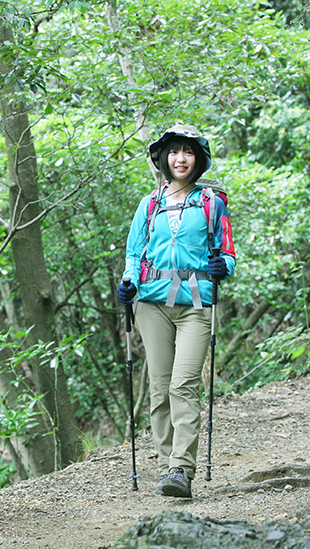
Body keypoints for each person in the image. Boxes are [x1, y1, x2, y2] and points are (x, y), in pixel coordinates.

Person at [117, 123, 236, 498]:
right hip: (152, 304)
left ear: (198, 158)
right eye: (174, 151)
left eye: (187, 151)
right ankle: (169, 466)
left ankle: (181, 470)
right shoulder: (149, 204)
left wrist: (224, 267)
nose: (180, 158)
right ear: (164, 159)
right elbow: (135, 253)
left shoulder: (211, 203)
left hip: (196, 304)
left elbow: (227, 252)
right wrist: (128, 281)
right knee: (159, 388)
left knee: (184, 384)